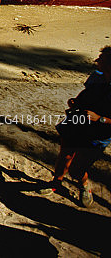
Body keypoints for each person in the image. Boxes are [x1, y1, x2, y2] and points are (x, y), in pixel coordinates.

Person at [38, 46, 111, 207]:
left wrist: (100, 119)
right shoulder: (97, 76)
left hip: (99, 133)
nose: (97, 61)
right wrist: (75, 102)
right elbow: (86, 94)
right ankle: (56, 182)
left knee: (77, 169)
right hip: (78, 122)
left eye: (102, 60)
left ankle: (84, 185)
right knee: (65, 155)